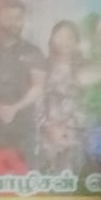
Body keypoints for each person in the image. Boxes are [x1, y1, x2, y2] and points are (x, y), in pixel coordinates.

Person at [0, 0, 44, 168]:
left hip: (24, 126)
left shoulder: (33, 51)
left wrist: (14, 108)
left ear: (24, 21)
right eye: (8, 17)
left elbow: (38, 86)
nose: (13, 23)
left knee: (25, 170)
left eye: (18, 18)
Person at [37, 18, 86, 173]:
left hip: (77, 135)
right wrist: (48, 126)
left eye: (69, 37)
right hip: (47, 135)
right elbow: (36, 101)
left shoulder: (86, 68)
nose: (64, 42)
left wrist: (69, 128)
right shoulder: (42, 67)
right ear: (51, 40)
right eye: (59, 36)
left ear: (76, 42)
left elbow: (92, 105)